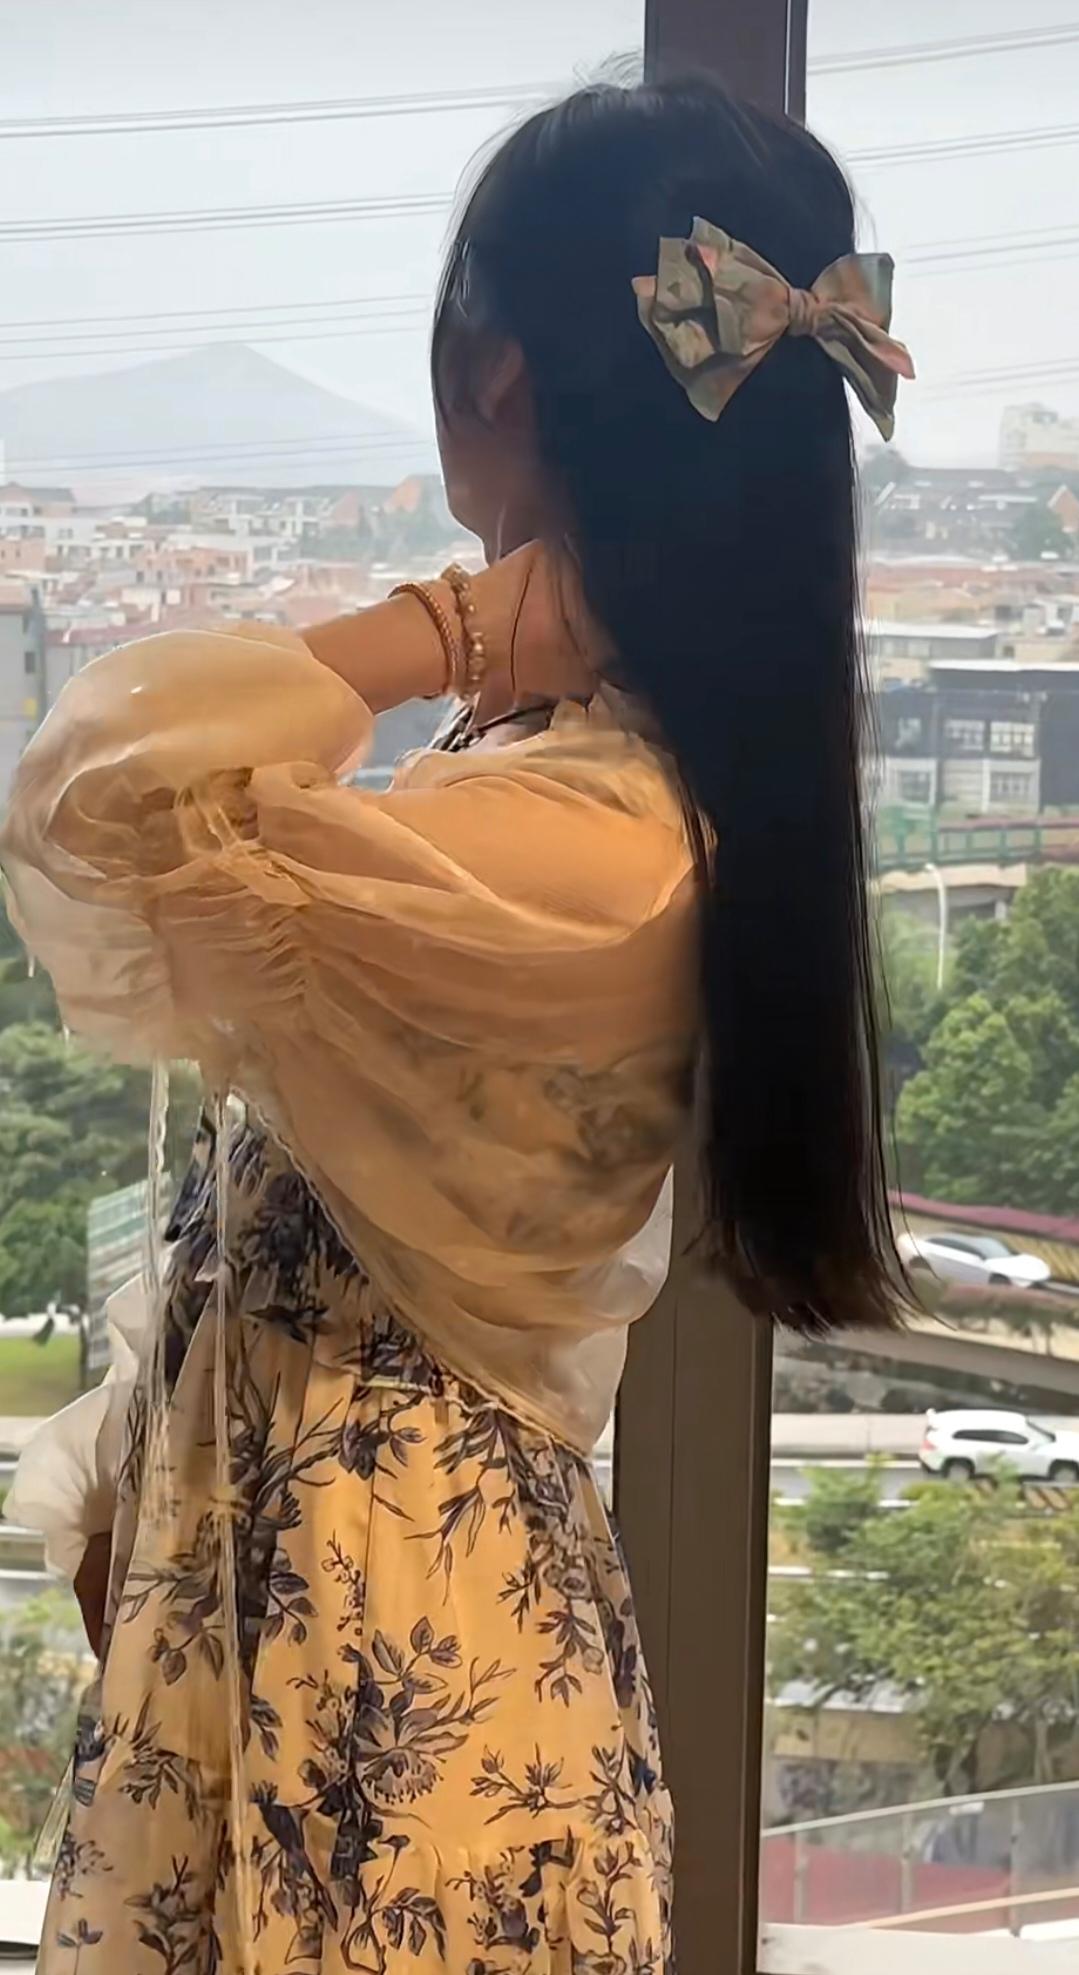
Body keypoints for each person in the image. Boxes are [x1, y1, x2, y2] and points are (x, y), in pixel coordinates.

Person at [0, 73, 912, 1975]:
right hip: (366, 1636)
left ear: (491, 371)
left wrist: (463, 621)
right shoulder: (589, 790)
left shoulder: (587, 839)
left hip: (394, 1688)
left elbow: (96, 794)